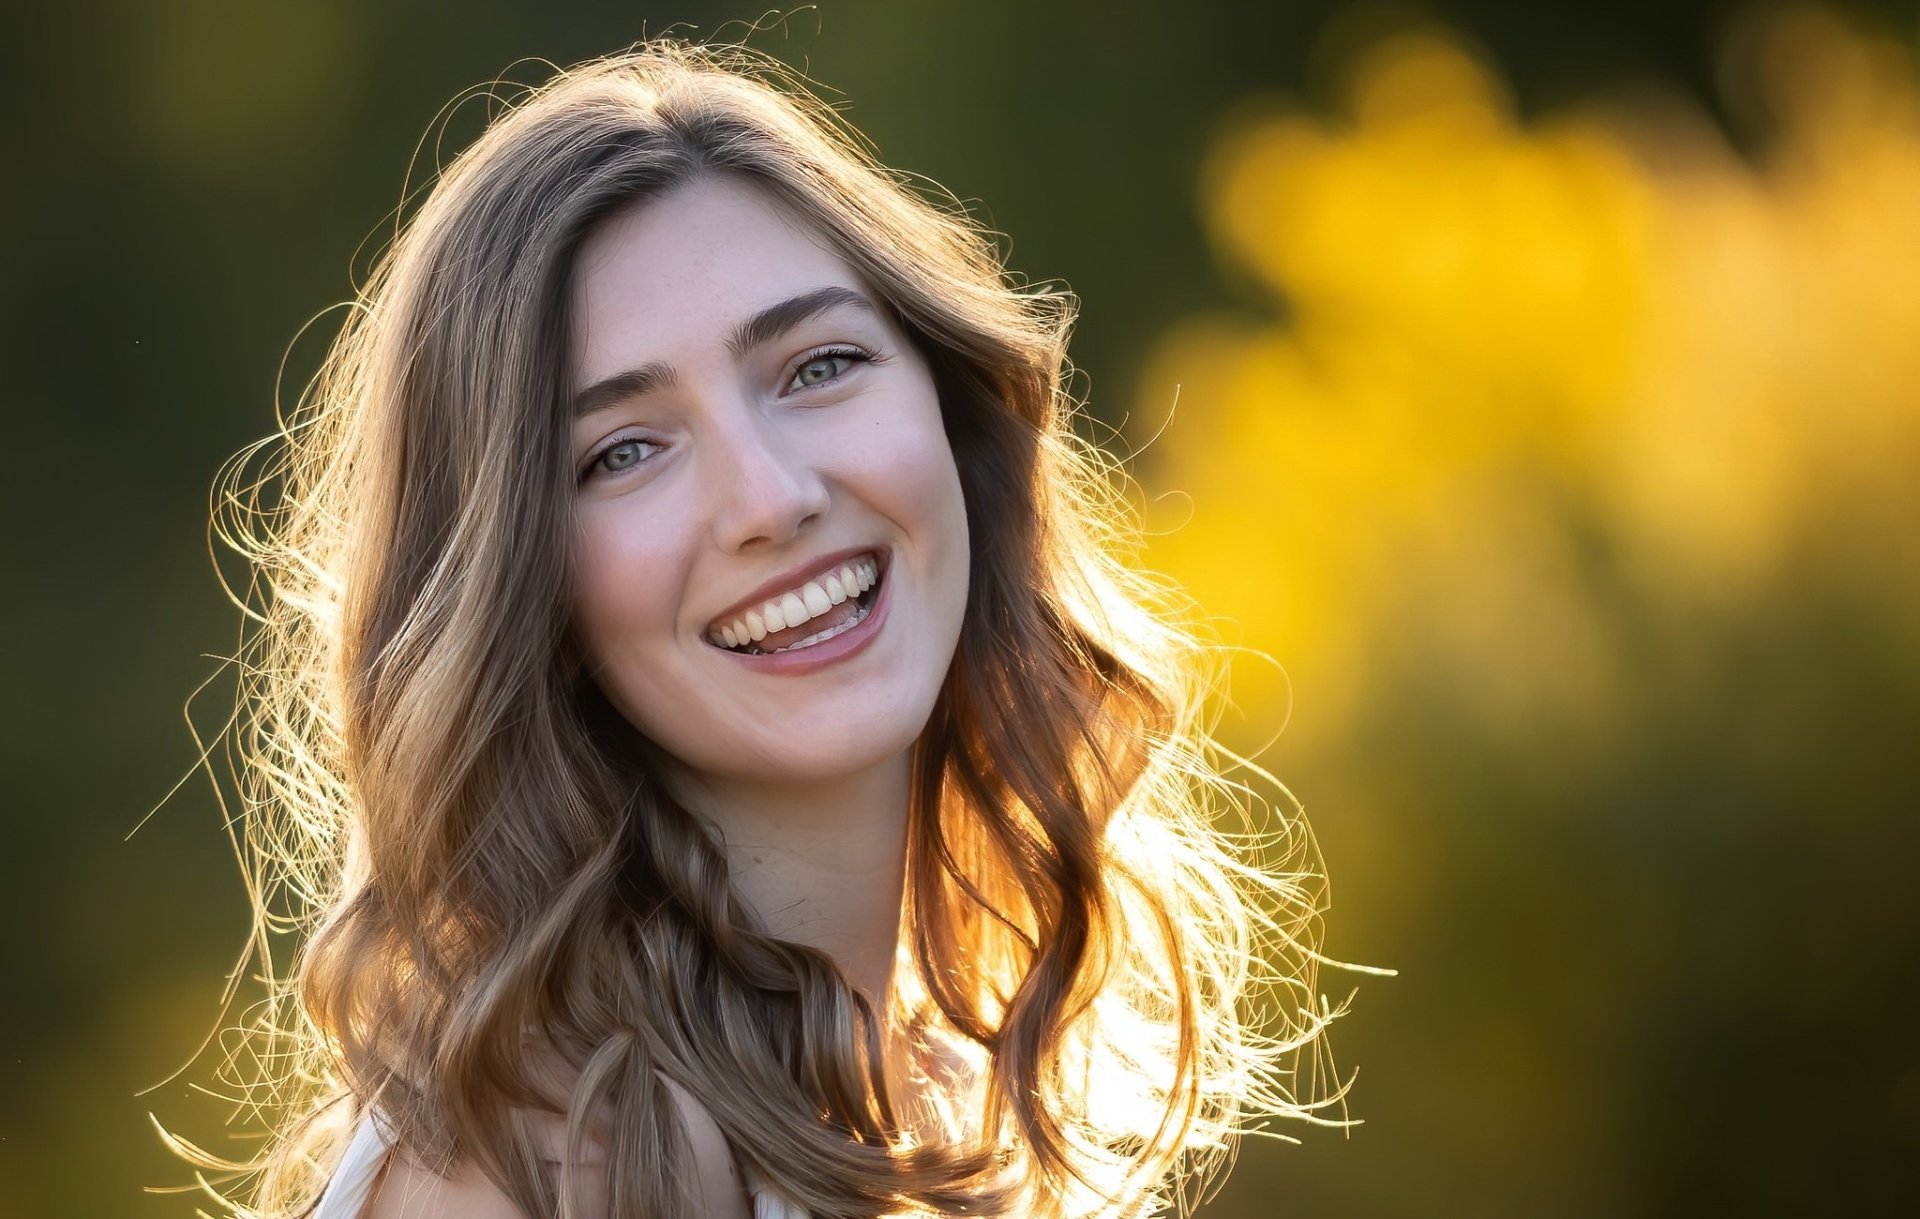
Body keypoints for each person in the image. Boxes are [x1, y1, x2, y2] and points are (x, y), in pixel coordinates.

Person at [191, 38, 1347, 1219]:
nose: (771, 498)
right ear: (519, 592)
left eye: (820, 365)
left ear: (953, 412)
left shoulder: (920, 1095)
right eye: (624, 451)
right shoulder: (564, 1164)